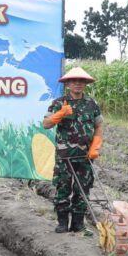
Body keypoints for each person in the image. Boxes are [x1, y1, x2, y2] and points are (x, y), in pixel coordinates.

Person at [43, 67, 103, 233]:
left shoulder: (92, 104)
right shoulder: (58, 103)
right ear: (68, 84)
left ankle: (78, 223)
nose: (78, 84)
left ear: (85, 84)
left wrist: (95, 146)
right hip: (65, 156)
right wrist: (60, 114)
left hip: (85, 156)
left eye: (81, 81)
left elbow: (99, 125)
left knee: (83, 189)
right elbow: (46, 124)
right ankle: (62, 222)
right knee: (63, 187)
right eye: (74, 81)